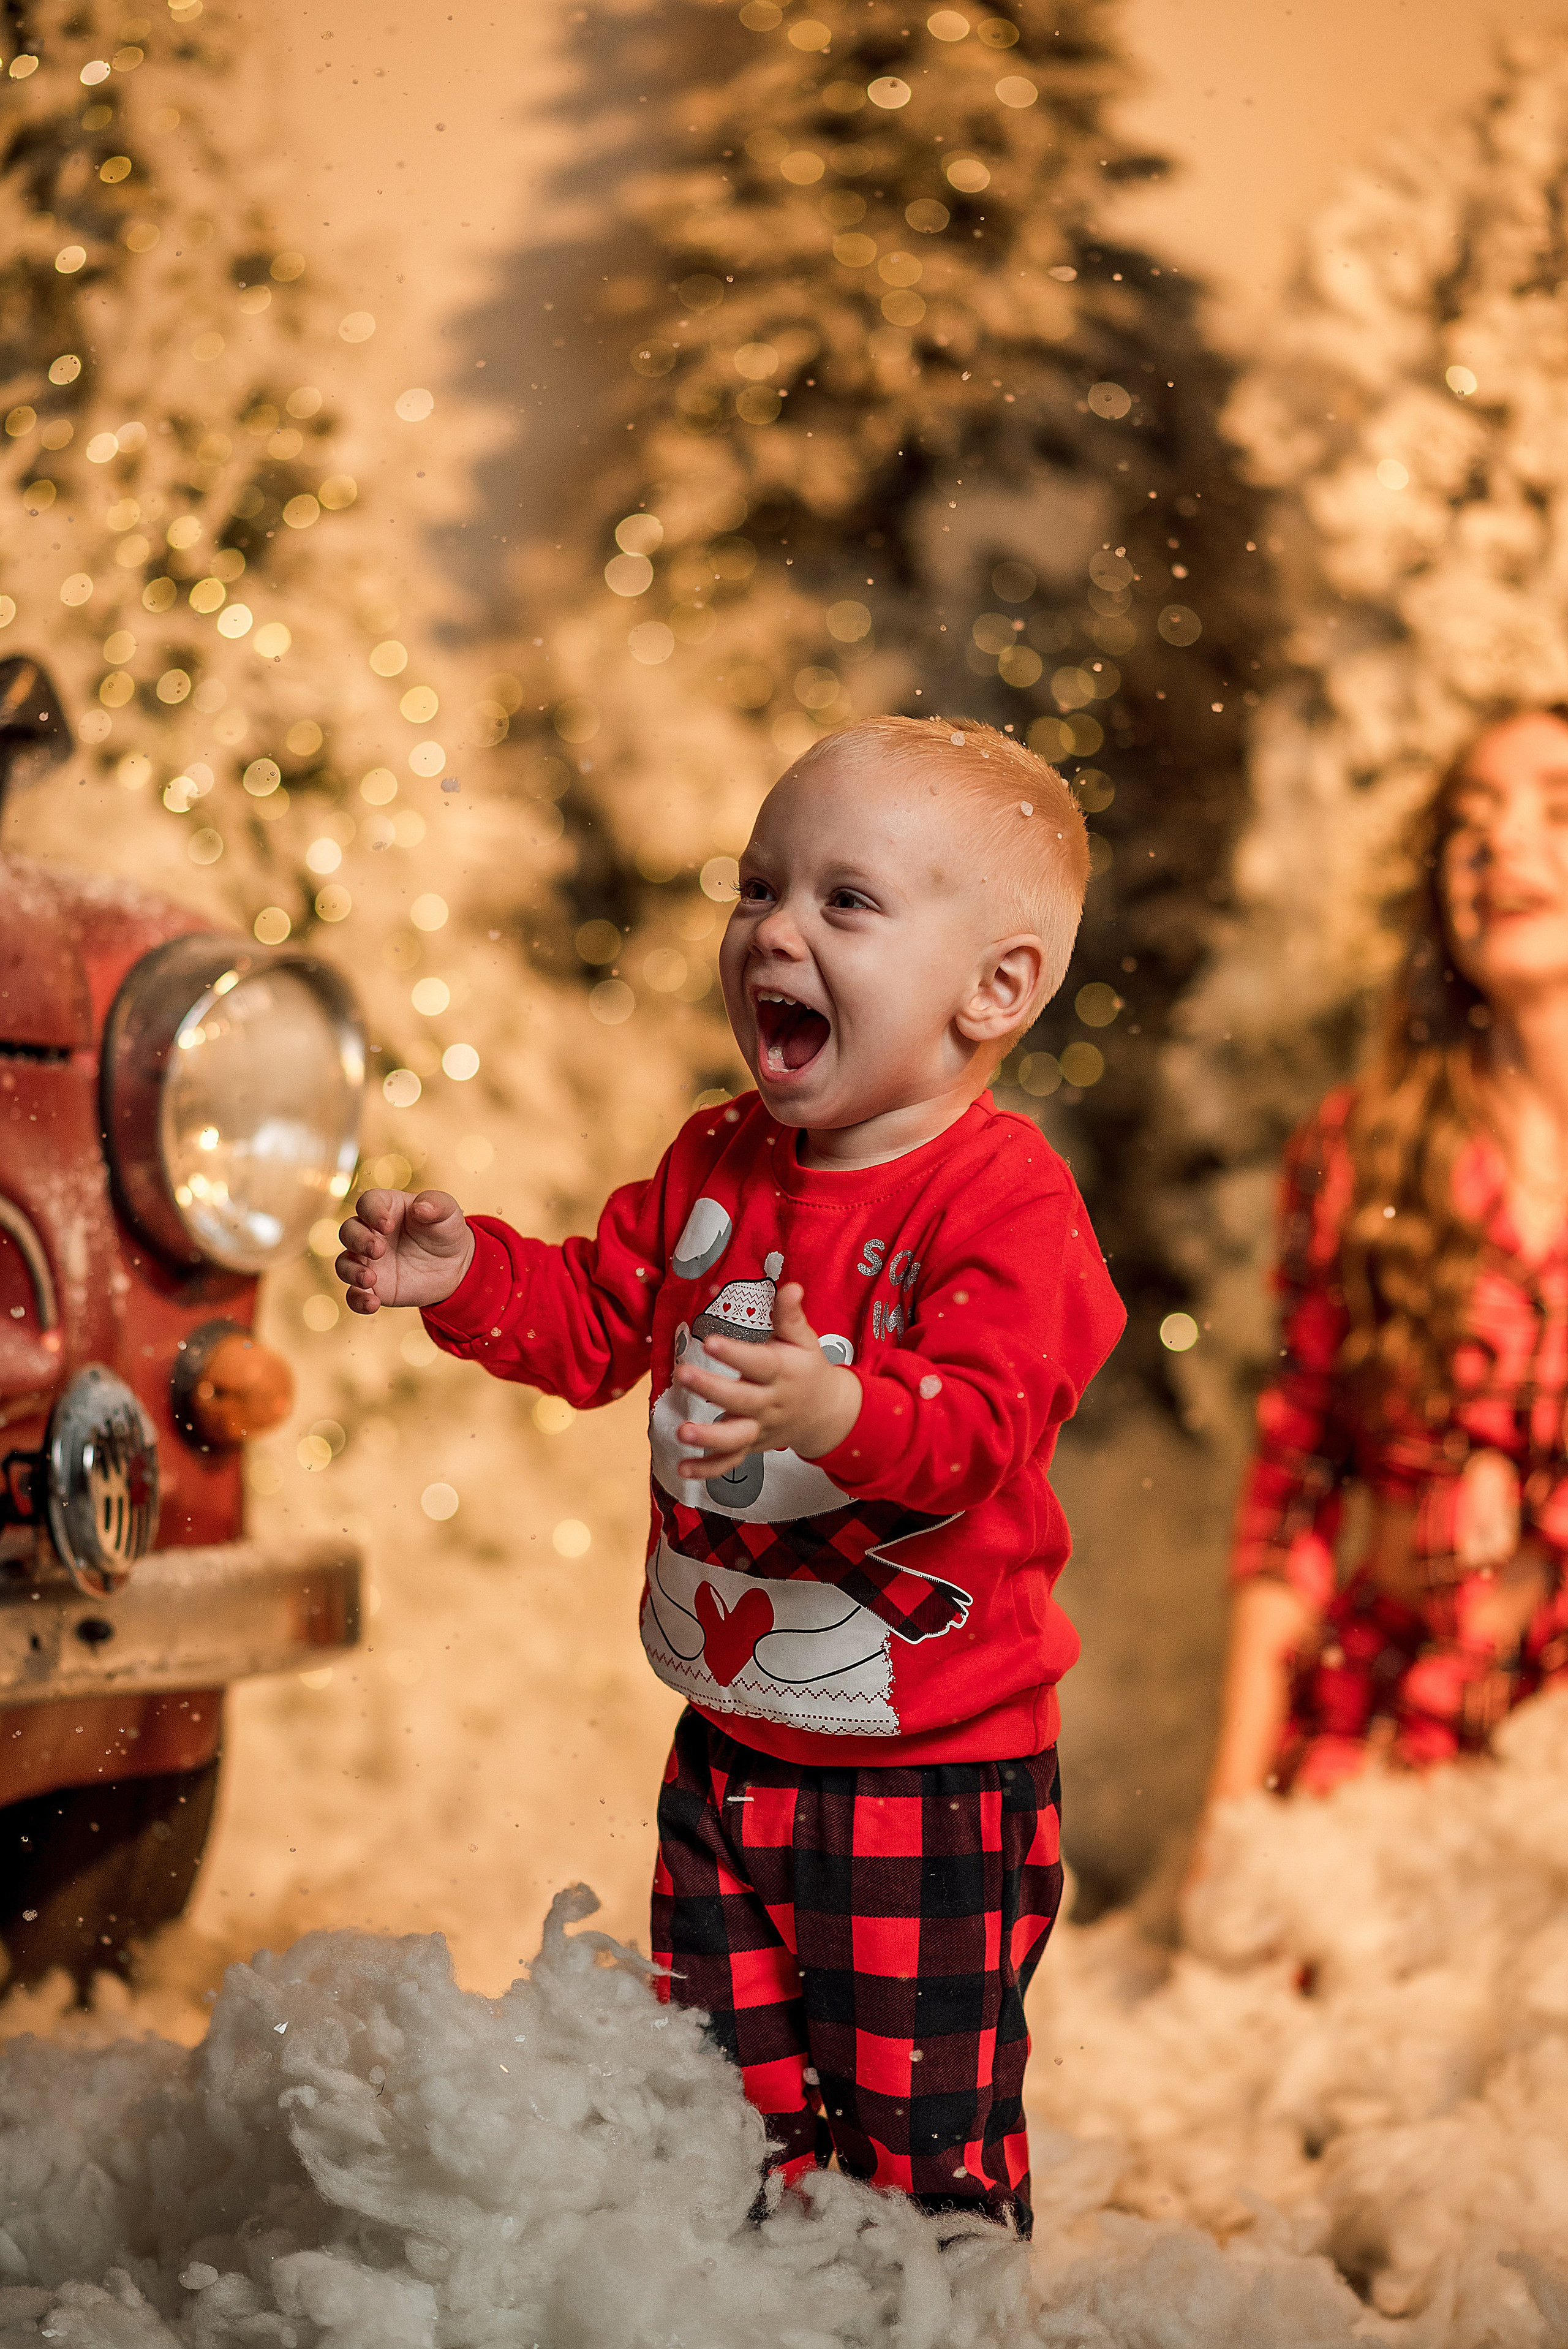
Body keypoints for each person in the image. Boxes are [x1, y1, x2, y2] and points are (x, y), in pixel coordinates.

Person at [336, 714, 1124, 2234]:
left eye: (844, 901)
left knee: (913, 2138)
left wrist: (834, 1410)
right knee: (719, 2110)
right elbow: (587, 1323)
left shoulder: (1002, 1198)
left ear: (994, 988)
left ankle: (932, 2323)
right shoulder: (715, 1164)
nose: (771, 928)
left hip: (930, 1774)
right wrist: (464, 1276)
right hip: (729, 1749)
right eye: (757, 886)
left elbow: (980, 1429)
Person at [1207, 706, 1568, 1807]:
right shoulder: (1357, 1153)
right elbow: (1296, 1491)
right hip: (1389, 1757)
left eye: (1555, 808)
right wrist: (1230, 1817)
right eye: (1468, 824)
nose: (1499, 845)